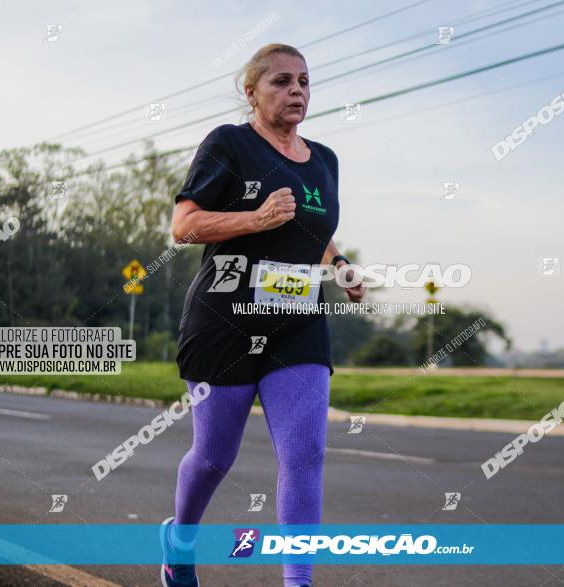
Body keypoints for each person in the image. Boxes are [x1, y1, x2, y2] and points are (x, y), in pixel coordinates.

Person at [160, 43, 365, 587]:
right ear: (249, 92)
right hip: (224, 321)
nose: (296, 91)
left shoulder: (325, 159)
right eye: (280, 81)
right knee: (212, 457)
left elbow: (308, 230)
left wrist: (339, 263)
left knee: (304, 457)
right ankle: (179, 543)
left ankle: (297, 581)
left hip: (296, 322)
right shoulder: (228, 144)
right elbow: (183, 226)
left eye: (303, 81)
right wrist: (254, 218)